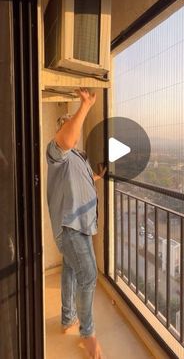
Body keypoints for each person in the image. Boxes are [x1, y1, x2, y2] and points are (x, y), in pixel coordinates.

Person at [46, 88, 105, 359]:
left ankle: (68, 318)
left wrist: (95, 178)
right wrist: (85, 105)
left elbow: (80, 179)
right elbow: (66, 141)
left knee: (71, 271)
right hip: (71, 227)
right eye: (67, 125)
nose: (71, 129)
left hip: (82, 223)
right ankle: (88, 334)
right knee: (89, 276)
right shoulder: (56, 153)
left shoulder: (78, 158)